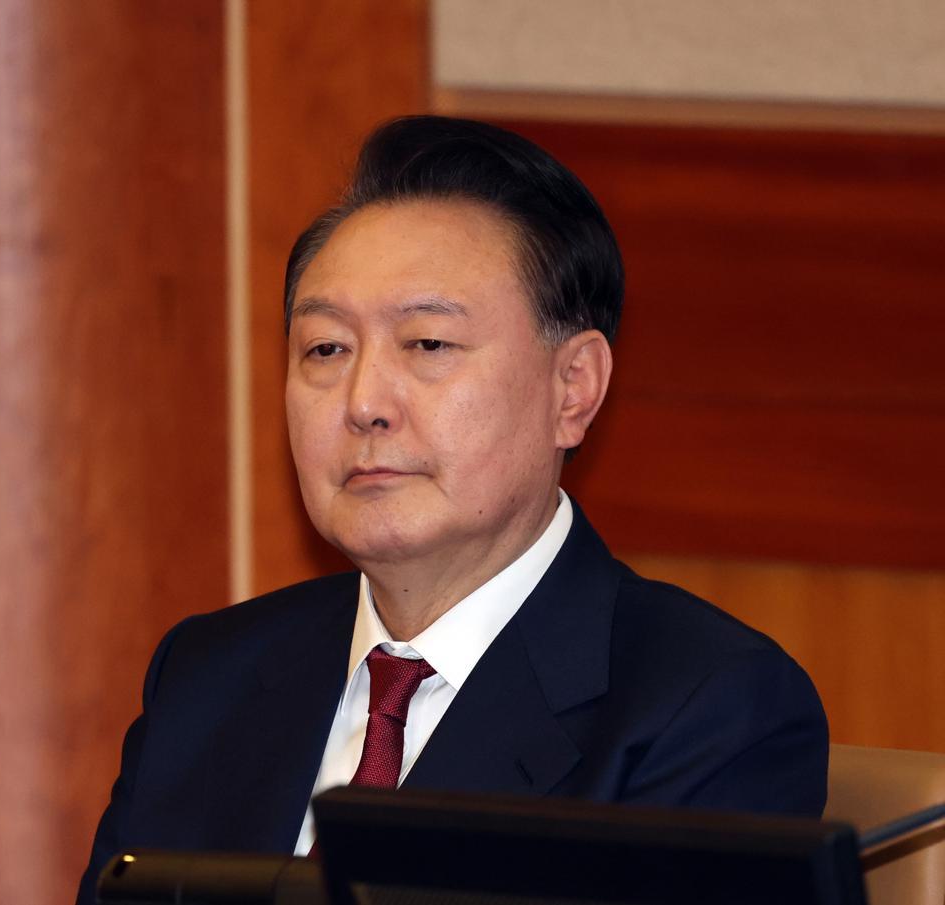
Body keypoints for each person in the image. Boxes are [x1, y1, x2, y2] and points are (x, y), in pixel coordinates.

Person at [76, 116, 828, 903]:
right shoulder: (206, 680)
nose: (364, 402)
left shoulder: (706, 709)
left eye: (427, 344)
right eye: (326, 349)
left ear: (573, 387)